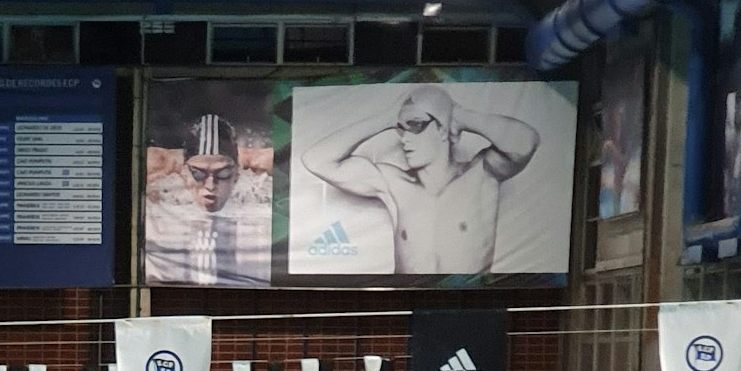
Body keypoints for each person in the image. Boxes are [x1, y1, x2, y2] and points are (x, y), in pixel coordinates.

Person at [302, 85, 539, 274]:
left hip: (467, 301)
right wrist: (386, 118)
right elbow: (316, 160)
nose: (405, 139)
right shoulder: (392, 183)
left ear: (443, 130)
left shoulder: (481, 174)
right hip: (405, 302)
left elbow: (526, 142)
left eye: (415, 125)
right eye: (401, 129)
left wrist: (461, 115)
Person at [145, 112, 271, 286]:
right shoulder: (162, 183)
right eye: (198, 174)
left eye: (223, 173)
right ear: (184, 174)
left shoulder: (256, 184)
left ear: (237, 174)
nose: (210, 185)